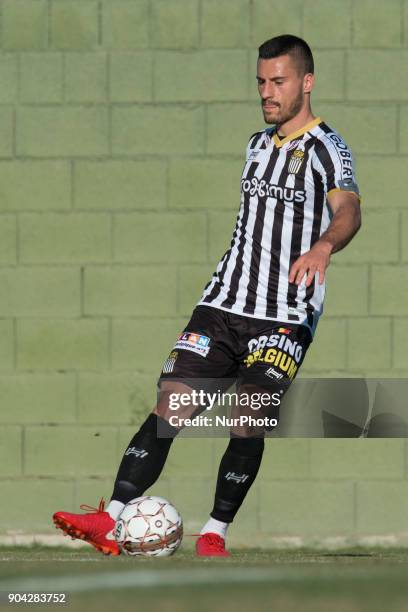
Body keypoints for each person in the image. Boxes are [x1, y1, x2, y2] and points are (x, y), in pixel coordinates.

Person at [53, 34, 361, 557]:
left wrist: (325, 247)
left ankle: (215, 531)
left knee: (247, 417)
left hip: (283, 314)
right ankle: (112, 517)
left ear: (306, 83)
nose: (267, 92)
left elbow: (349, 211)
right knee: (171, 405)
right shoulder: (257, 144)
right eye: (261, 81)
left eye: (278, 82)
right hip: (222, 303)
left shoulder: (328, 149)